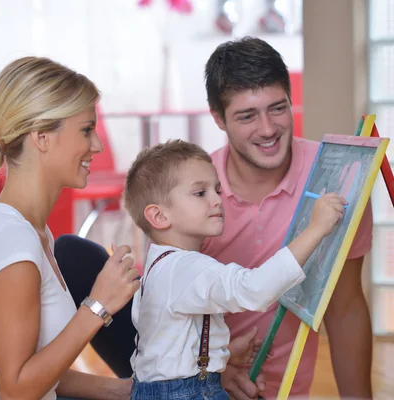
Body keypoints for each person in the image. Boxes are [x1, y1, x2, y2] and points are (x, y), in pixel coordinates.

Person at [55, 37, 373, 399]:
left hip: (260, 382)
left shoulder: (335, 180)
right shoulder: (186, 195)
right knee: (72, 253)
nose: (267, 129)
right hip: (189, 372)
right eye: (247, 115)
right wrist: (211, 372)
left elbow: (345, 307)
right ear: (219, 118)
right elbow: (169, 312)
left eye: (278, 108)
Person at [0, 56, 141, 400]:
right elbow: (16, 391)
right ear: (42, 138)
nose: (97, 145)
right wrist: (98, 305)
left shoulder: (28, 230)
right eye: (86, 130)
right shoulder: (14, 244)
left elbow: (39, 371)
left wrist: (124, 391)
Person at [122, 140, 345, 399]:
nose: (217, 200)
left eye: (216, 190)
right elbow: (255, 289)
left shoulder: (161, 264)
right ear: (159, 216)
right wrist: (316, 229)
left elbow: (171, 345)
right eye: (200, 193)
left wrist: (220, 351)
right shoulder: (184, 267)